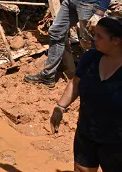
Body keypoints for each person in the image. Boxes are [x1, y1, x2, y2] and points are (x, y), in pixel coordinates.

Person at [50, 17, 122, 172]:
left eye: (99, 36)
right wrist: (60, 107)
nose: (94, 39)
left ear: (115, 40)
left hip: (116, 142)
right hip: (86, 132)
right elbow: (75, 84)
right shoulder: (91, 58)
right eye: (94, 34)